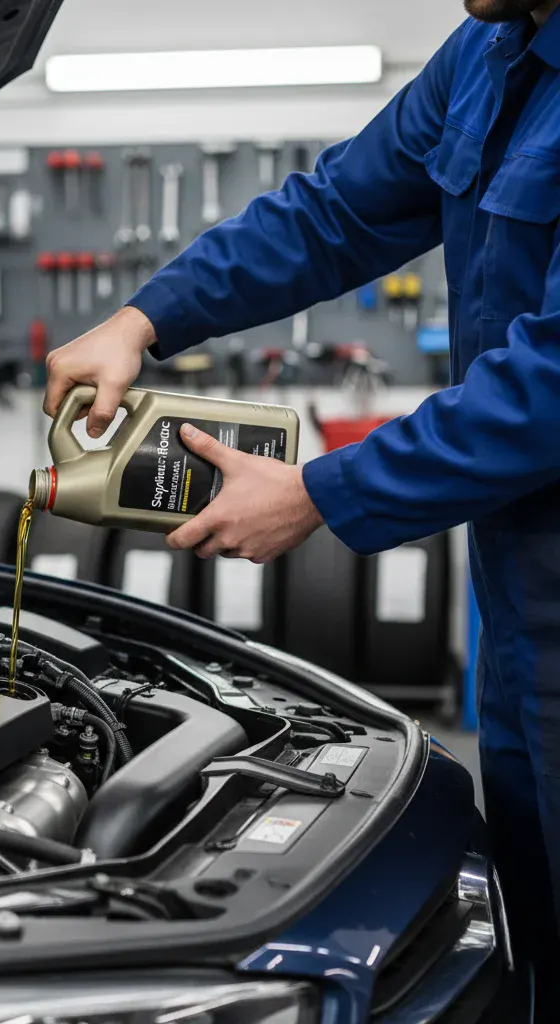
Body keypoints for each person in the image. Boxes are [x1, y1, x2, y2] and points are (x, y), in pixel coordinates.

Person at [44, 0, 560, 1015]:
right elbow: (336, 212)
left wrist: (325, 490)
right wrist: (143, 318)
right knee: (529, 920)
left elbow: (550, 385)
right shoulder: (484, 54)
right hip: (521, 612)